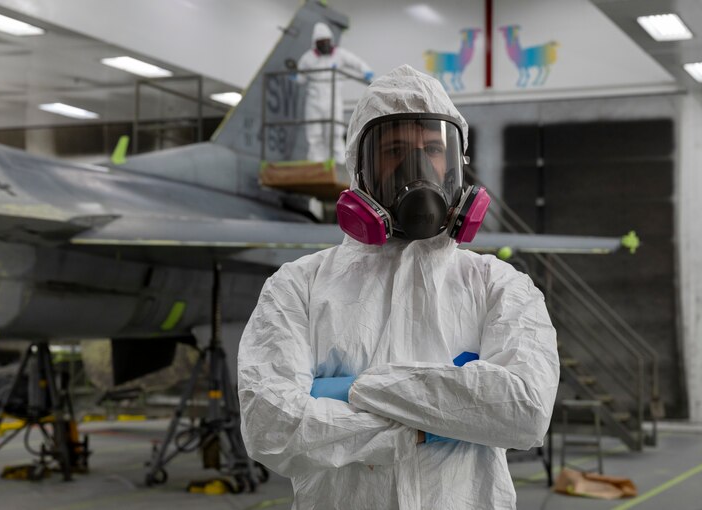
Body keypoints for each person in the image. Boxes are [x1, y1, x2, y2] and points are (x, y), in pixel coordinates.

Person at [238, 65, 559, 509]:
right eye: (394, 150)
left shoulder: (500, 287)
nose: (419, 166)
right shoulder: (298, 288)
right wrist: (447, 417)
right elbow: (271, 427)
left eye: (433, 148)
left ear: (455, 162)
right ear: (360, 169)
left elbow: (525, 411)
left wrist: (346, 389)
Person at [296, 22, 373, 164]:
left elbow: (356, 63)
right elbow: (300, 78)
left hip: (333, 101)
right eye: (321, 42)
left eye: (326, 41)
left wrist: (366, 72)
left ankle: (339, 164)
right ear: (315, 43)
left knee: (335, 133)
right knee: (314, 135)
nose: (324, 44)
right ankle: (315, 164)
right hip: (313, 101)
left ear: (330, 41)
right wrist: (296, 77)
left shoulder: (340, 55)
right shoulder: (308, 58)